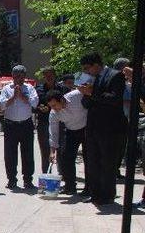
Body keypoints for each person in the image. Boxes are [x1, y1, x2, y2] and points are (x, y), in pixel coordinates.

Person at [79, 52, 127, 205]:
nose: (86, 72)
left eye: (88, 68)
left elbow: (114, 99)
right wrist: (85, 94)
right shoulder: (93, 79)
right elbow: (86, 104)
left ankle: (107, 195)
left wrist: (92, 92)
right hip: (93, 128)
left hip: (110, 128)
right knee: (93, 162)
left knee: (108, 163)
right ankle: (95, 194)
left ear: (96, 65)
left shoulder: (115, 76)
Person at [0, 65, 39, 190]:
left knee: (28, 153)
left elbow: (35, 103)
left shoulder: (30, 88)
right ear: (12, 76)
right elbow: (2, 105)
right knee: (10, 154)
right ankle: (11, 180)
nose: (18, 78)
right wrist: (14, 97)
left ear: (24, 76)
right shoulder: (6, 88)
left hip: (26, 124)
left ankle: (28, 180)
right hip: (10, 125)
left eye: (20, 76)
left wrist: (22, 96)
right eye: (15, 76)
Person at [46, 89, 88, 195]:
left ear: (62, 99)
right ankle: (70, 186)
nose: (54, 108)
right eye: (51, 106)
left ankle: (89, 187)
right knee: (65, 157)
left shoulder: (76, 95)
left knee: (89, 159)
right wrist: (52, 151)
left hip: (87, 128)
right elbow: (53, 132)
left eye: (55, 105)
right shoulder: (53, 113)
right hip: (71, 131)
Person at [35, 66, 68, 174]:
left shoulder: (63, 88)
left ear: (54, 75)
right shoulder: (38, 89)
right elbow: (34, 105)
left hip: (62, 122)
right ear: (43, 77)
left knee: (62, 151)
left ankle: (63, 175)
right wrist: (39, 108)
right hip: (44, 122)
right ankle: (46, 175)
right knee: (45, 151)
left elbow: (67, 104)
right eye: (46, 75)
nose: (48, 77)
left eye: (51, 75)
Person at [114, 57, 131, 180]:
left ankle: (116, 169)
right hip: (117, 119)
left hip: (125, 119)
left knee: (121, 147)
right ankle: (113, 170)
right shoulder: (116, 80)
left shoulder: (127, 82)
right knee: (116, 147)